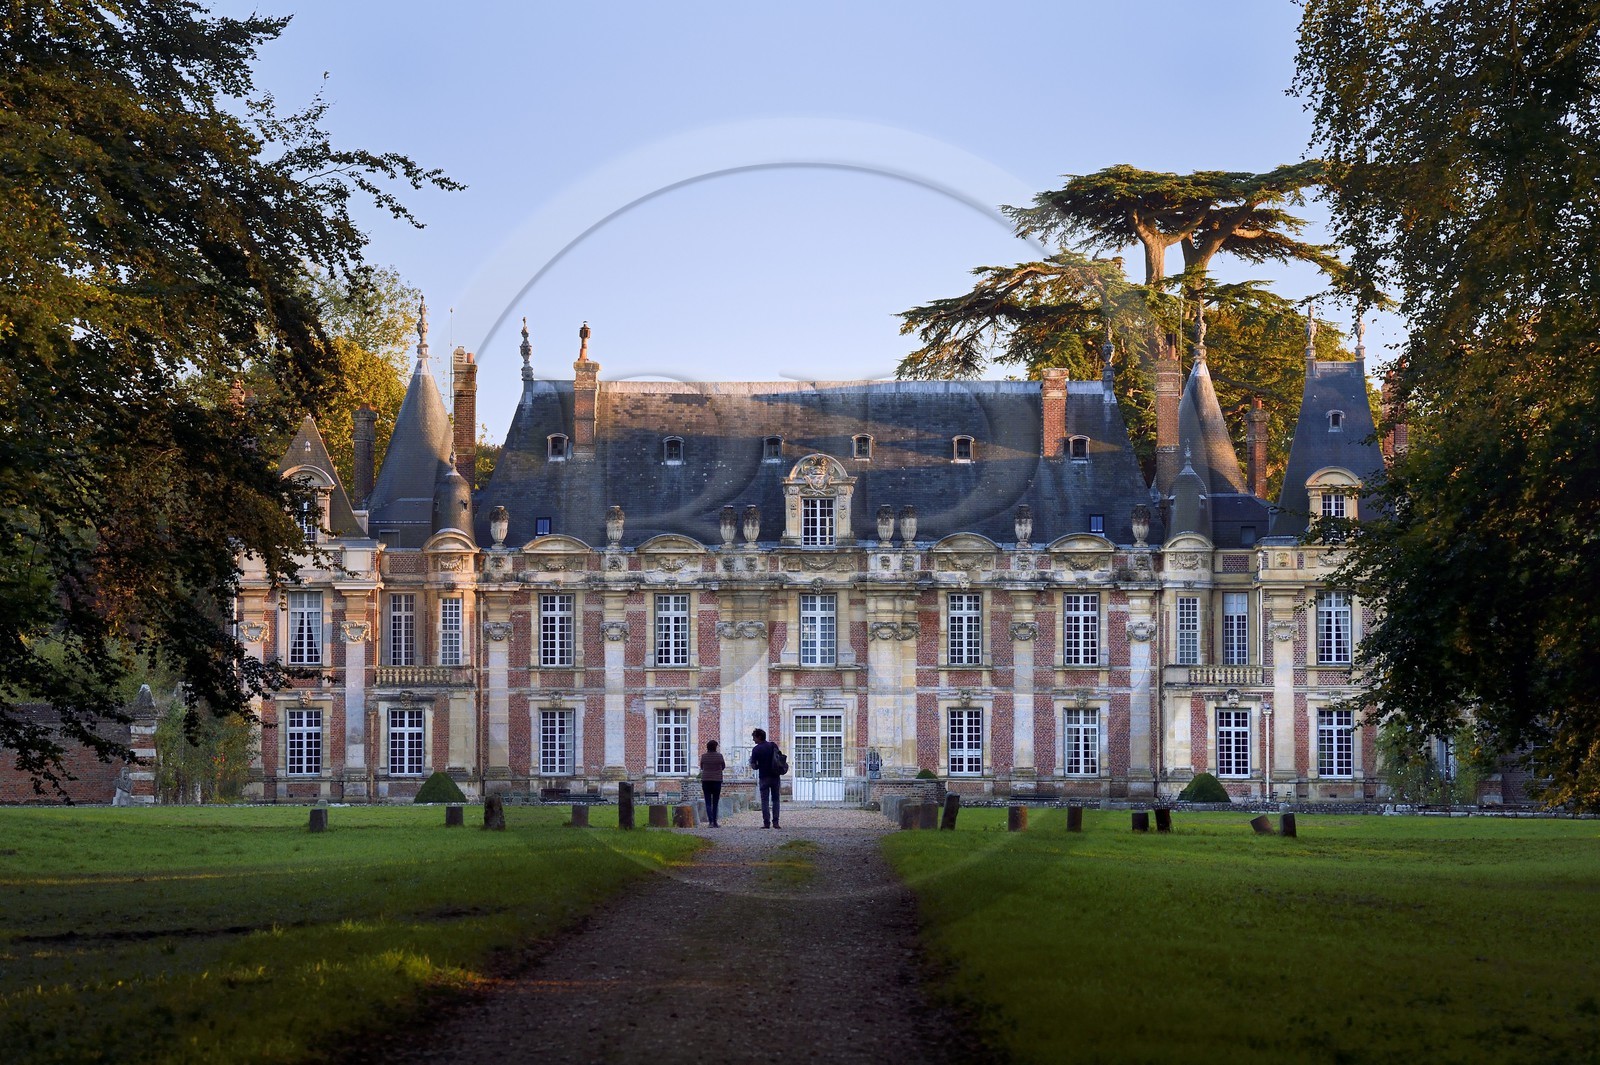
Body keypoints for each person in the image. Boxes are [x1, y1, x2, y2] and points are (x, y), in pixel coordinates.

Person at [749, 727, 780, 829]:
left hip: (764, 777)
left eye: (754, 738)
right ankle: (776, 822)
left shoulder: (756, 749)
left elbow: (754, 765)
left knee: (765, 801)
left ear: (759, 737)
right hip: (775, 776)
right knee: (775, 800)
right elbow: (779, 758)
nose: (753, 740)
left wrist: (756, 765)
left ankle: (766, 823)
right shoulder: (773, 745)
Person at [699, 740, 726, 828]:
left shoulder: (704, 756)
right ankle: (715, 822)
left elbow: (702, 767)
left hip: (706, 780)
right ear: (715, 747)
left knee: (707, 802)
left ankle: (710, 822)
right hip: (717, 780)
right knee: (715, 802)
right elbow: (723, 767)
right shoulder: (719, 756)